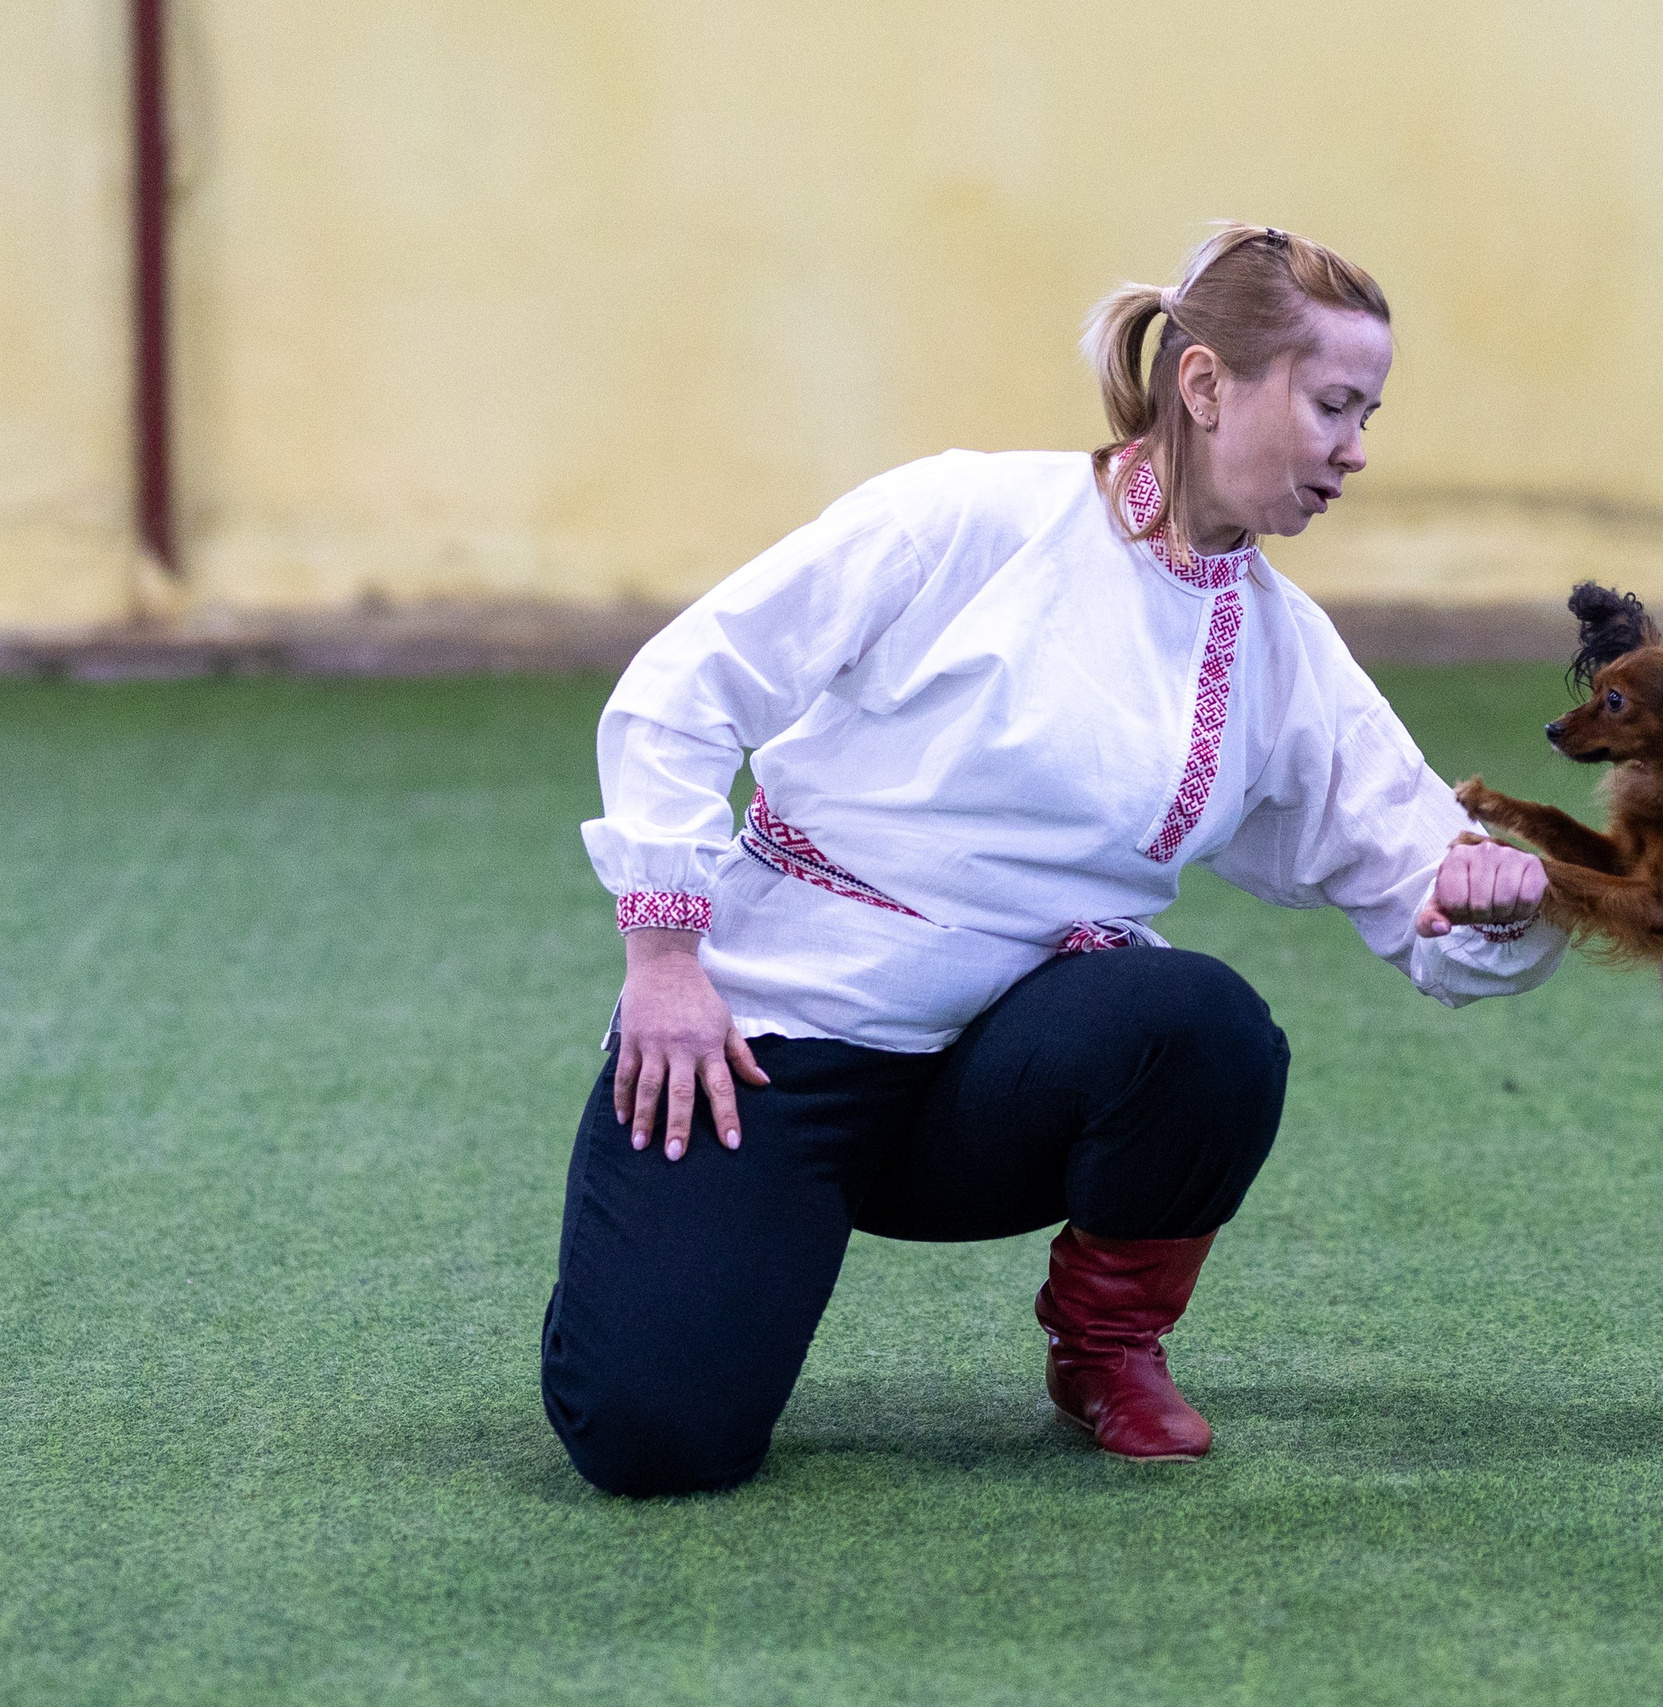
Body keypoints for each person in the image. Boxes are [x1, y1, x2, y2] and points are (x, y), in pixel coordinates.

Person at [544, 223, 1563, 1497]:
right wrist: (667, 961)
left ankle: (1105, 1348)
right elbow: (683, 688)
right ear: (1203, 386)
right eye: (1333, 405)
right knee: (654, 1443)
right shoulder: (968, 514)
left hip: (1002, 1086)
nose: (1356, 448)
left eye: (1369, 412)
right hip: (772, 1038)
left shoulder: (1286, 649)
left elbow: (1425, 881)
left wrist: (1491, 897)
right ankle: (692, 1262)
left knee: (1201, 1024)